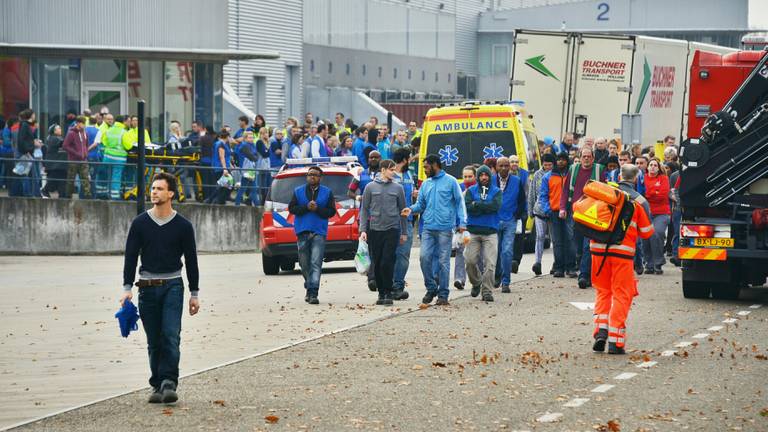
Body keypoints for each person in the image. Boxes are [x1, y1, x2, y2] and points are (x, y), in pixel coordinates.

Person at [120, 172, 200, 404]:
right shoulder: (140, 223)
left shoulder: (183, 226)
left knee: (170, 336)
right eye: (153, 188)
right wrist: (127, 288)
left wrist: (194, 294)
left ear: (171, 193)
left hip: (173, 286)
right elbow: (130, 257)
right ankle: (157, 384)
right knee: (154, 340)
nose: (154, 192)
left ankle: (168, 382)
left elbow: (192, 260)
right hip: (146, 288)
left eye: (159, 189)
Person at [591, 164, 653, 355]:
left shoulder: (603, 192)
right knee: (621, 294)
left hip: (597, 251)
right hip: (622, 254)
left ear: (618, 176)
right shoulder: (639, 201)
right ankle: (615, 342)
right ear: (636, 178)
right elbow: (647, 233)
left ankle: (601, 331)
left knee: (603, 291)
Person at [401, 154, 466, 306]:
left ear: (435, 165)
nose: (424, 170)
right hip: (428, 227)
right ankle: (431, 287)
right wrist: (410, 209)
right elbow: (421, 205)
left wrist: (462, 222)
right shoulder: (426, 184)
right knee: (424, 258)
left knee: (443, 262)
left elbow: (459, 203)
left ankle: (443, 294)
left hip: (445, 228)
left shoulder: (451, 182)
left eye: (426, 167)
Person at [359, 159, 408, 306]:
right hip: (374, 229)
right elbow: (364, 210)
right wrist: (363, 230)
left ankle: (388, 291)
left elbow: (403, 211)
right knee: (378, 262)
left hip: (392, 229)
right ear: (383, 170)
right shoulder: (370, 187)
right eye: (391, 170)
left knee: (388, 261)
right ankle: (381, 292)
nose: (394, 172)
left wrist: (404, 232)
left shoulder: (398, 188)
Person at [288, 166, 337, 305]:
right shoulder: (297, 192)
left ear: (320, 177)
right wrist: (306, 208)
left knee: (316, 263)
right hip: (302, 231)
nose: (312, 177)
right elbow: (292, 209)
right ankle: (309, 283)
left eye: (315, 175)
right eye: (310, 174)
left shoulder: (327, 193)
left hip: (319, 232)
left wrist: (318, 209)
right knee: (304, 264)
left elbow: (331, 212)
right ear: (307, 176)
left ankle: (313, 292)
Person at [559, 146, 605, 288]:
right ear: (580, 157)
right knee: (576, 243)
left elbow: (605, 190)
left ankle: (584, 275)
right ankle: (583, 266)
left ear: (593, 158)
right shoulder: (573, 169)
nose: (586, 159)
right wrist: (562, 208)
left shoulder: (599, 170)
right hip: (576, 212)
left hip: (593, 212)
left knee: (587, 245)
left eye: (589, 156)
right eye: (584, 156)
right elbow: (565, 190)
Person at [464, 165, 502, 302]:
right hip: (473, 231)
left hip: (490, 232)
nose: (484, 177)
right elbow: (468, 207)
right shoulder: (470, 191)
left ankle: (487, 291)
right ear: (478, 177)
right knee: (469, 261)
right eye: (481, 175)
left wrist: (477, 205)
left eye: (486, 175)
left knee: (490, 263)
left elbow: (495, 207)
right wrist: (484, 206)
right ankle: (476, 282)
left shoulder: (497, 191)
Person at [493, 157, 526, 293]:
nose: (504, 168)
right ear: (496, 167)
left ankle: (506, 281)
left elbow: (521, 201)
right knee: (495, 251)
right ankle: (496, 276)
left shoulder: (517, 181)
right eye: (501, 166)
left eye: (506, 165)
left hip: (510, 220)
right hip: (494, 221)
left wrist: (516, 215)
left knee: (507, 251)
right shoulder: (490, 180)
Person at [540, 152, 574, 278]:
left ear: (567, 161)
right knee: (557, 241)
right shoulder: (548, 177)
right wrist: (547, 210)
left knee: (570, 239)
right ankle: (559, 267)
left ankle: (570, 267)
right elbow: (543, 195)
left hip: (569, 211)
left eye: (563, 160)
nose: (560, 162)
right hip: (554, 212)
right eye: (558, 160)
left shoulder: (571, 176)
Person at [392, 147, 415, 300]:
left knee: (403, 255)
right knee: (391, 255)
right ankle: (391, 285)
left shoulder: (409, 174)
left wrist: (415, 195)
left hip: (407, 221)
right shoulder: (390, 175)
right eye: (410, 158)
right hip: (392, 221)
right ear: (405, 159)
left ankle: (397, 286)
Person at [642, 158, 671, 274]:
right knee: (645, 237)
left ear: (658, 168)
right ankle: (649, 264)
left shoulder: (664, 178)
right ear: (647, 167)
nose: (653, 167)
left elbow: (663, 195)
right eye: (651, 165)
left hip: (662, 213)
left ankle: (658, 262)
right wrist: (654, 192)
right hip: (645, 213)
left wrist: (649, 193)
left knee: (657, 233)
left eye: (655, 165)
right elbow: (641, 193)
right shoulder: (642, 178)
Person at [529, 153, 555, 275]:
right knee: (539, 236)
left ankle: (556, 263)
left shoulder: (556, 174)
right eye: (545, 165)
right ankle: (537, 262)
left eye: (550, 165)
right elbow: (532, 192)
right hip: (539, 210)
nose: (548, 167)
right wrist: (530, 210)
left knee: (555, 239)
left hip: (553, 210)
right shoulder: (537, 175)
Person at [454, 166, 477, 290]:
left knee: (476, 255)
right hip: (463, 226)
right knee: (460, 252)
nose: (467, 179)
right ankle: (459, 279)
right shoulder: (458, 188)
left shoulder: (479, 189)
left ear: (475, 176)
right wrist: (458, 224)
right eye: (465, 177)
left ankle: (477, 279)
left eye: (470, 176)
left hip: (476, 226)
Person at [63, 116, 91, 199]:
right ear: (78, 123)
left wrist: (85, 153)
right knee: (71, 179)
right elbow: (65, 146)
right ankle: (68, 196)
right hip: (73, 160)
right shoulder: (71, 133)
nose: (84, 125)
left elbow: (86, 144)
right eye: (83, 123)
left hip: (83, 159)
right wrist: (76, 153)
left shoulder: (84, 133)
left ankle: (87, 195)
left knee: (85, 179)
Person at [102, 114, 129, 200]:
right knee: (116, 177)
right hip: (119, 158)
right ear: (123, 122)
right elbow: (128, 146)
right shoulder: (124, 132)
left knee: (108, 176)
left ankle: (107, 194)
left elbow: (104, 142)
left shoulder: (108, 130)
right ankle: (115, 196)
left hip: (107, 157)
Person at [234, 130, 259, 206]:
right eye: (249, 137)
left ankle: (256, 205)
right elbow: (252, 157)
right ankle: (237, 204)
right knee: (245, 188)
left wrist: (255, 156)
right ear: (245, 138)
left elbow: (256, 156)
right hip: (246, 169)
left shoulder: (252, 145)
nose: (251, 139)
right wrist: (255, 156)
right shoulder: (244, 146)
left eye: (252, 137)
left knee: (252, 188)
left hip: (250, 169)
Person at [207, 128, 233, 205]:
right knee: (226, 185)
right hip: (220, 167)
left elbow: (226, 157)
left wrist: (230, 165)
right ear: (227, 137)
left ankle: (217, 200)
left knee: (224, 185)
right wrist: (225, 169)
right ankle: (215, 200)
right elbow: (222, 157)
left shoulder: (220, 143)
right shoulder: (221, 144)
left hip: (221, 167)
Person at [41, 124, 67, 198]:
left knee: (61, 180)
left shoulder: (55, 138)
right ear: (54, 131)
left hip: (58, 164)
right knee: (54, 179)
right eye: (58, 128)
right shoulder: (53, 138)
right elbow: (64, 143)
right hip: (55, 164)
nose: (60, 129)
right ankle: (45, 190)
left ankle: (62, 195)